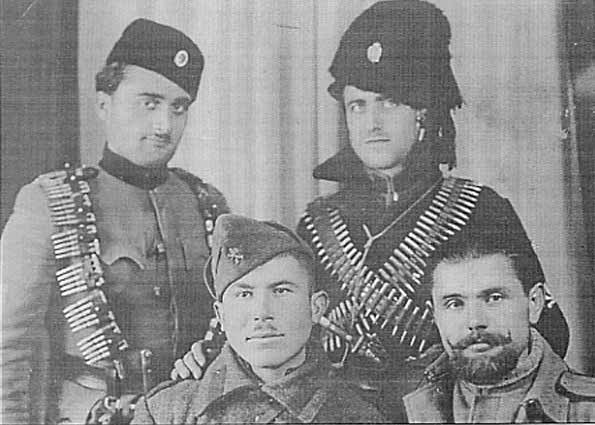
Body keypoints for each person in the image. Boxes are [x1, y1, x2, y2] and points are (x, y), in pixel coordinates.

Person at [171, 1, 569, 422]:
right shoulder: (318, 222)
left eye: (389, 102)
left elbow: (547, 331)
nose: (372, 122)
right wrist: (210, 355)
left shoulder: (479, 210)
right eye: (357, 105)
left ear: (423, 112)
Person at [1, 19, 229, 424]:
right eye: (149, 103)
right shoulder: (49, 203)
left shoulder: (205, 203)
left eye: (178, 107)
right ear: (104, 104)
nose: (164, 126)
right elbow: (9, 345)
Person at [130, 214, 387, 424]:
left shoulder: (359, 416)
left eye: (281, 291)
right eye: (244, 294)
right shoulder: (165, 412)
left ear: (316, 308)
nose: (262, 312)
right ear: (221, 315)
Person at [403, 213, 595, 423]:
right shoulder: (400, 408)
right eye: (455, 304)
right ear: (435, 316)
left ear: (534, 303)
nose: (474, 321)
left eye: (494, 298)